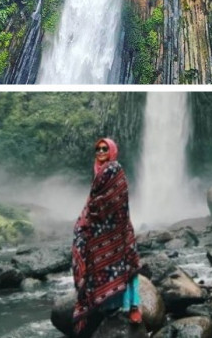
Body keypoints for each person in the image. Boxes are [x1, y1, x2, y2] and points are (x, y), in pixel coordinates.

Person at [72, 137, 142, 334]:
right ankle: (109, 306)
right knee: (102, 264)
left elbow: (117, 198)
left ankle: (133, 306)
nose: (101, 152)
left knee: (127, 264)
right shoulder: (97, 171)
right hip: (100, 229)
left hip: (118, 227)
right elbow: (93, 199)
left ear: (112, 151)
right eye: (98, 149)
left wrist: (96, 210)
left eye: (104, 149)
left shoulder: (114, 169)